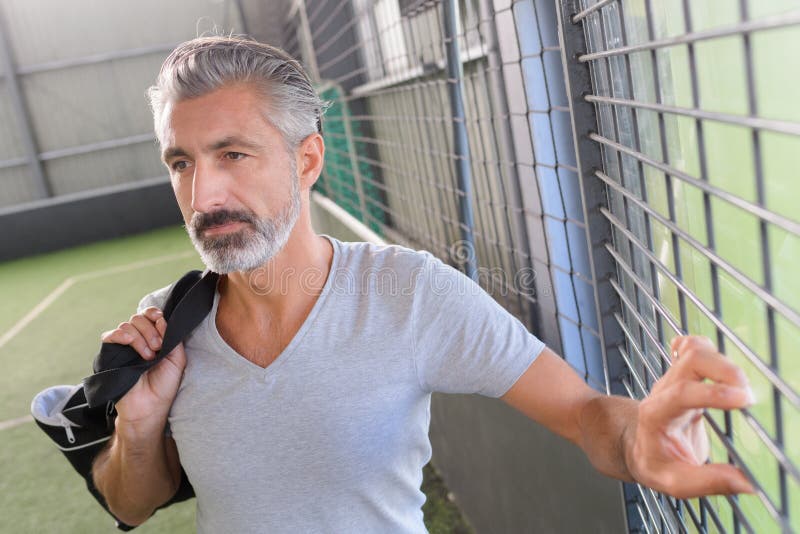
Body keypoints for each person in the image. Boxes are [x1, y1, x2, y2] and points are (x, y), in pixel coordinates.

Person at [92, 36, 756, 532]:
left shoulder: (408, 294)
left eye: (232, 154)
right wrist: (140, 423)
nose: (203, 192)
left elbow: (581, 414)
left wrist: (642, 440)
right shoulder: (167, 326)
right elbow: (131, 503)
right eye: (181, 162)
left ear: (307, 160)